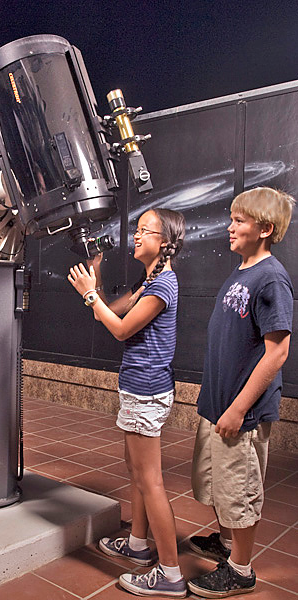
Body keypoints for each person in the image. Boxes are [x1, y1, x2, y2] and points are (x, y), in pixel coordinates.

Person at [68, 208, 187, 598]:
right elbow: (112, 310)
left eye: (144, 231)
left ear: (164, 243)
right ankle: (137, 545)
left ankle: (170, 574)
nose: (136, 236)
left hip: (147, 391)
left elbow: (119, 330)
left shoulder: (162, 286)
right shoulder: (148, 281)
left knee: (150, 481)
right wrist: (96, 278)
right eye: (136, 230)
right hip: (139, 389)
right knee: (137, 473)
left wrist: (88, 294)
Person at [187, 187, 295, 598]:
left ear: (264, 229)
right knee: (219, 485)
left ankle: (241, 569)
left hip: (241, 413)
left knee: (240, 489)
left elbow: (278, 351)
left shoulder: (271, 278)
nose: (229, 228)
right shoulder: (243, 270)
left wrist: (237, 409)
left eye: (239, 221)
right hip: (219, 404)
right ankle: (228, 540)